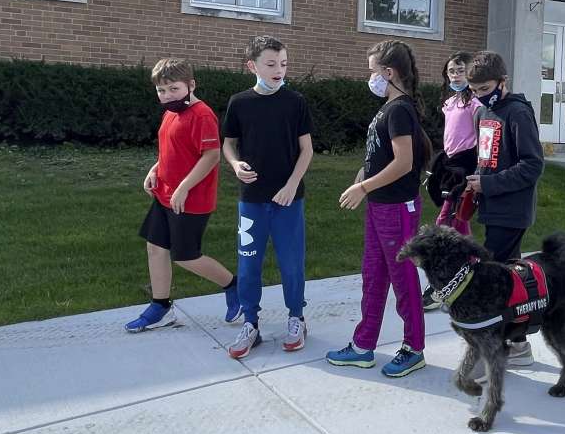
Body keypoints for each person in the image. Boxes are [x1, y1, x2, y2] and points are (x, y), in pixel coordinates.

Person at [327, 40, 433, 378]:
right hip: (380, 206)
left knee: (403, 280)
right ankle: (363, 346)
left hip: (396, 208)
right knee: (373, 277)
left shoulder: (400, 108)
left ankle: (414, 348)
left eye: (373, 71)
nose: (369, 77)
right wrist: (364, 175)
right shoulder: (390, 107)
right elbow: (382, 154)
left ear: (388, 73)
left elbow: (404, 163)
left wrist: (363, 187)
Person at [125, 58, 239, 333]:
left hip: (191, 200)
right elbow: (171, 149)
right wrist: (155, 169)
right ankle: (161, 306)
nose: (167, 96)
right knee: (155, 247)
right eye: (161, 91)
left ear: (191, 85)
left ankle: (234, 285)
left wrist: (184, 187)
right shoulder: (170, 113)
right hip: (165, 195)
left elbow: (211, 156)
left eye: (173, 89)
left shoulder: (202, 115)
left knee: (186, 256)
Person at [221, 36, 314, 359]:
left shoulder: (295, 101)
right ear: (253, 66)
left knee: (291, 264)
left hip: (289, 200)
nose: (278, 70)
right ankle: (251, 322)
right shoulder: (239, 102)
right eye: (271, 64)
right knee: (248, 265)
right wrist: (234, 164)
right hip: (252, 200)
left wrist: (292, 185)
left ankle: (296, 318)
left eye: (283, 64)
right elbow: (228, 143)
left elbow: (307, 150)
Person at [463, 50, 544, 367]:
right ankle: (518, 344)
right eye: (474, 91)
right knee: (507, 278)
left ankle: (500, 346)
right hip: (491, 206)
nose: (479, 96)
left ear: (502, 82)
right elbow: (488, 158)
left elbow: (533, 165)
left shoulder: (518, 113)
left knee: (493, 278)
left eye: (484, 89)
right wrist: (476, 181)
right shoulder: (483, 114)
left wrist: (491, 184)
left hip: (512, 210)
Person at [422, 51, 482, 311]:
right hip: (451, 165)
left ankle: (447, 283)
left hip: (467, 167)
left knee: (445, 223)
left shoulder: (476, 104)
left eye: (459, 70)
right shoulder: (450, 102)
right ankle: (474, 270)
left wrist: (476, 172)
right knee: (460, 223)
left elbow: (482, 138)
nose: (455, 75)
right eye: (451, 71)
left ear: (470, 72)